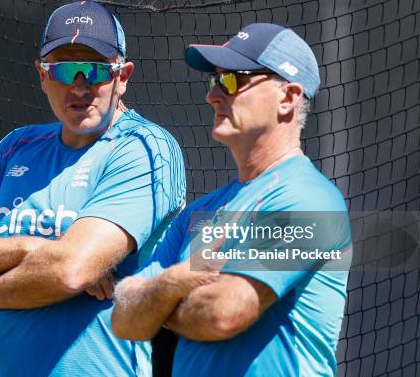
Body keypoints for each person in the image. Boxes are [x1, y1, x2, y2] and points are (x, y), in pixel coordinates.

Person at [0, 1, 186, 376]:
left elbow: (71, 271)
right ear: (43, 77)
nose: (80, 85)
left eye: (95, 70)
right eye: (64, 69)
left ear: (122, 76)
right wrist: (37, 247)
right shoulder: (15, 146)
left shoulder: (145, 146)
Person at [111, 23, 351, 376]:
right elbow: (124, 319)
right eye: (215, 80)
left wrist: (157, 305)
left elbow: (223, 313)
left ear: (287, 98)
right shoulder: (200, 212)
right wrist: (175, 281)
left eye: (233, 80)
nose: (214, 95)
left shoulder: (311, 200)